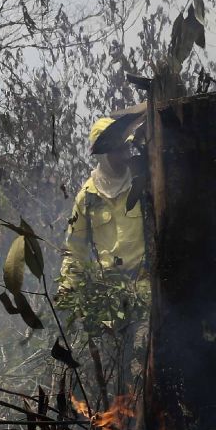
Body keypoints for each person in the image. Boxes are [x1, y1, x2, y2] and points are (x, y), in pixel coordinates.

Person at [58, 113, 147, 398]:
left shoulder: (142, 179)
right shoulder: (87, 196)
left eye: (126, 147)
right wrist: (67, 288)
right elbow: (76, 247)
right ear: (103, 154)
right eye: (118, 149)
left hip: (146, 282)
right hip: (109, 291)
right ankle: (120, 421)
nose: (125, 153)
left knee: (144, 354)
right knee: (114, 361)